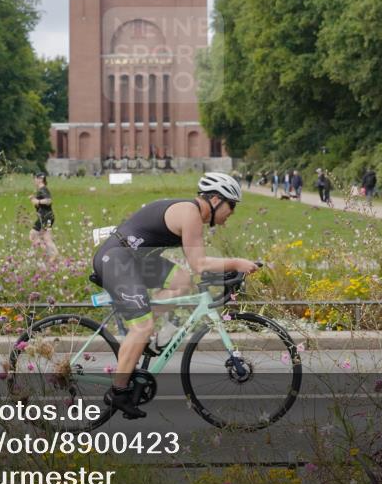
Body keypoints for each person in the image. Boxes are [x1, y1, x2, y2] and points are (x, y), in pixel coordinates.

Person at [90, 173, 258, 418]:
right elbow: (199, 263)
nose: (230, 214)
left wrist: (229, 269)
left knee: (182, 281)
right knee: (142, 327)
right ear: (214, 199)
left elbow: (194, 269)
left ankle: (150, 340)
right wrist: (237, 263)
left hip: (135, 260)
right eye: (231, 206)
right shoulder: (190, 214)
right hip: (117, 260)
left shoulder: (191, 213)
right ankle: (118, 392)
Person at [29, 172, 58, 257]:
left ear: (40, 179)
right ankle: (51, 254)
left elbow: (48, 201)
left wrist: (37, 201)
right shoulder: (41, 190)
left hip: (45, 217)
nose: (34, 181)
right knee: (46, 238)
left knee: (33, 234)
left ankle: (48, 253)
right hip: (48, 217)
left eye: (35, 178)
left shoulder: (43, 190)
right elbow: (40, 205)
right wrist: (34, 200)